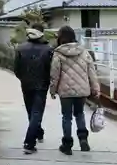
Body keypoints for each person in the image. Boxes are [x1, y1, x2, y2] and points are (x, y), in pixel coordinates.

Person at [50, 25, 100, 156]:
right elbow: (92, 72)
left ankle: (67, 145)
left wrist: (53, 90)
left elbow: (55, 74)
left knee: (66, 117)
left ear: (61, 38)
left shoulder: (58, 53)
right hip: (82, 90)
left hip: (65, 92)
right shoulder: (84, 51)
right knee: (79, 114)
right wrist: (96, 89)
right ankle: (83, 139)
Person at [14, 23, 53, 154]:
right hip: (41, 85)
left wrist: (23, 78)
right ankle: (29, 142)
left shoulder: (20, 48)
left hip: (26, 84)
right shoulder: (48, 49)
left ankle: (38, 132)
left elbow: (16, 69)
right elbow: (50, 69)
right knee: (36, 112)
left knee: (31, 111)